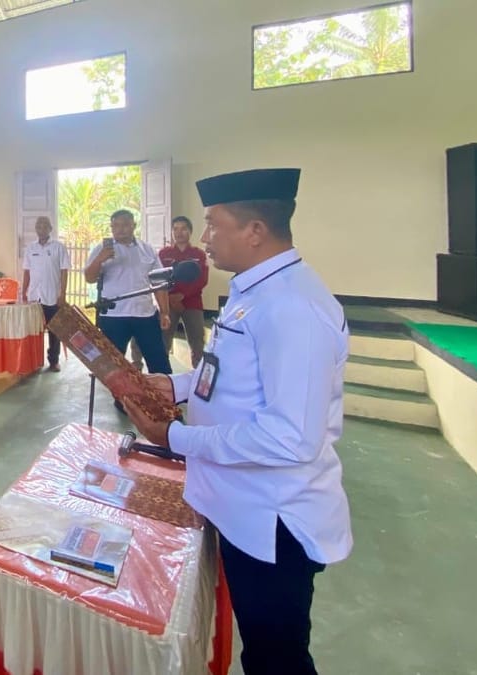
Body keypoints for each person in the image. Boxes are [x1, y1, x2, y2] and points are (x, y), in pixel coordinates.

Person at [123, 168, 352, 675]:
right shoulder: (256, 290)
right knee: (264, 651)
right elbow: (226, 372)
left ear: (254, 231)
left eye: (213, 224)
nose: (203, 238)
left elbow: (291, 437)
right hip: (243, 509)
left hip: (275, 520)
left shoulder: (294, 307)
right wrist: (175, 387)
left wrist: (175, 437)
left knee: (278, 659)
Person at [84, 210, 172, 410]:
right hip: (114, 316)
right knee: (116, 364)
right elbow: (89, 277)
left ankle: (165, 402)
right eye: (115, 225)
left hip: (145, 314)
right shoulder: (101, 249)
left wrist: (164, 311)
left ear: (133, 225)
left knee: (158, 360)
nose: (120, 229)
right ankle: (123, 401)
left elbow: (159, 283)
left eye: (124, 224)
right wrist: (100, 259)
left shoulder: (147, 250)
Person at [159, 216, 209, 367]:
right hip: (168, 303)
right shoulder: (163, 254)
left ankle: (198, 377)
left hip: (192, 302)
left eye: (183, 229)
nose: (179, 232)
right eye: (175, 229)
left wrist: (182, 296)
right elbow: (159, 278)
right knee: (163, 341)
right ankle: (163, 374)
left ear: (190, 232)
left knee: (197, 342)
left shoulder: (198, 254)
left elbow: (202, 280)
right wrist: (171, 298)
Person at [22, 216, 70, 371]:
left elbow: (64, 271)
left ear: (50, 229)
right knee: (33, 330)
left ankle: (53, 360)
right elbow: (27, 272)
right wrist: (24, 291)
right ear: (36, 229)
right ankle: (34, 360)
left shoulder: (58, 247)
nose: (41, 229)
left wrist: (62, 294)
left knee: (54, 330)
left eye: (44, 226)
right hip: (34, 296)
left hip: (52, 296)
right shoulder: (31, 248)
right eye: (38, 226)